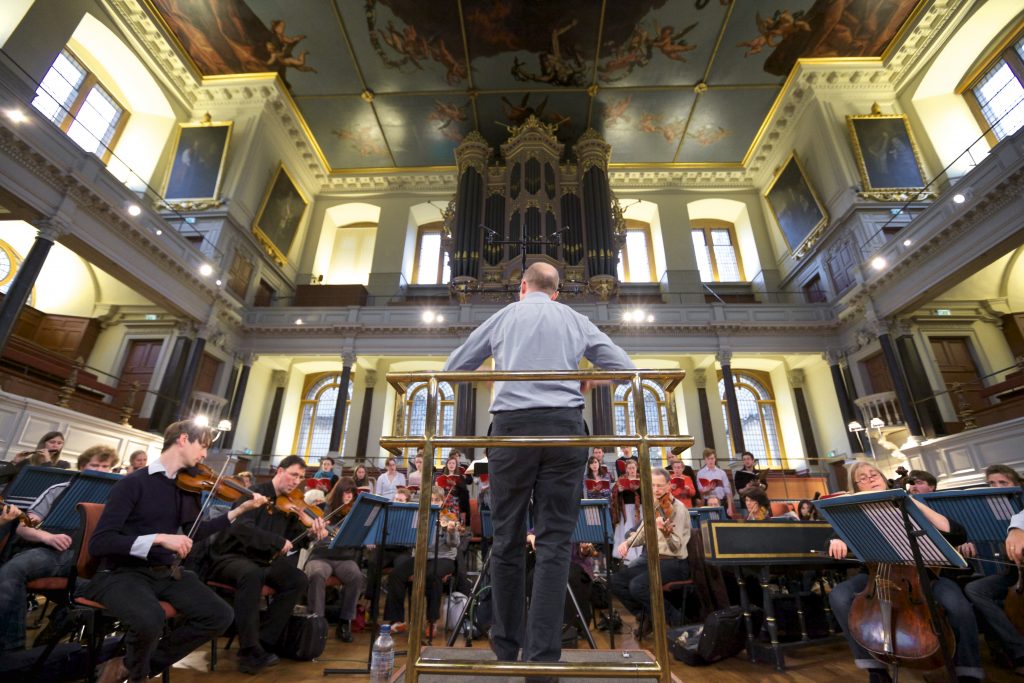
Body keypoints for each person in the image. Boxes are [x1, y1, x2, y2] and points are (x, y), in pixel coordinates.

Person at [443, 262, 635, 667]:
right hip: (565, 432)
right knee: (553, 546)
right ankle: (544, 657)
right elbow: (627, 370)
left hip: (511, 433)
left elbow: (453, 370)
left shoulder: (505, 316)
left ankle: (506, 647)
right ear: (556, 292)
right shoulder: (574, 318)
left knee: (508, 540)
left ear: (522, 286)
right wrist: (587, 380)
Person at [83, 420, 269, 683]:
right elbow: (100, 543)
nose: (205, 455)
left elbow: (196, 531)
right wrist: (158, 539)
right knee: (151, 619)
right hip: (121, 573)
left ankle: (131, 666)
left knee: (220, 615)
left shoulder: (186, 487)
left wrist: (238, 511)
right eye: (202, 446)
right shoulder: (133, 483)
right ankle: (137, 675)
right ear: (183, 440)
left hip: (163, 573)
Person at [827, 461, 981, 683]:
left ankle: (968, 670)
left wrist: (913, 504)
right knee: (839, 595)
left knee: (958, 605)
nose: (870, 479)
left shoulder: (909, 502)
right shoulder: (857, 512)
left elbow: (958, 534)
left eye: (873, 474)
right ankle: (875, 669)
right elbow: (833, 536)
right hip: (876, 574)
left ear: (884, 478)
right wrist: (836, 538)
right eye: (862, 478)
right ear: (857, 487)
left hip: (925, 575)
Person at [207, 454, 327, 674]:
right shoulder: (253, 493)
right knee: (252, 575)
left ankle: (264, 641)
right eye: (292, 475)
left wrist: (311, 532)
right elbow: (242, 529)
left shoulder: (291, 505)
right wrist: (276, 542)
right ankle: (248, 650)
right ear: (279, 471)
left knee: (297, 579)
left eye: (300, 477)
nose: (295, 481)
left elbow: (295, 540)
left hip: (263, 560)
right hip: (232, 557)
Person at [0, 445, 118, 656]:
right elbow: (23, 526)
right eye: (94, 465)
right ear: (82, 466)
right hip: (53, 552)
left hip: (92, 561)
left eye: (105, 466)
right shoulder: (58, 489)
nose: (100, 470)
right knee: (13, 570)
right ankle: (13, 653)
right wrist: (47, 536)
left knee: (103, 590)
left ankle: (49, 639)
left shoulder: (119, 497)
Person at [610, 468, 691, 635]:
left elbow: (676, 547)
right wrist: (627, 543)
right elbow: (642, 535)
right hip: (653, 560)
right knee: (615, 581)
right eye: (653, 486)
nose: (656, 490)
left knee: (637, 586)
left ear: (669, 486)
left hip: (674, 562)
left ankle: (676, 620)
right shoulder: (653, 505)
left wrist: (665, 532)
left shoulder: (679, 509)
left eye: (660, 486)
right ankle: (645, 616)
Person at [961, 464, 1024, 674]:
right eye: (991, 483)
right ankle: (1018, 649)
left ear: (1016, 484)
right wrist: (967, 543)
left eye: (1003, 483)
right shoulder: (984, 508)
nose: (996, 487)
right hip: (1015, 572)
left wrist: (1017, 529)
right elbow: (984, 537)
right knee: (975, 589)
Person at [384, 486, 460, 635]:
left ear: (442, 501)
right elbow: (410, 541)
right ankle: (396, 620)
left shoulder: (448, 517)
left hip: (444, 558)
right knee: (396, 575)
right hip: (421, 556)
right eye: (430, 499)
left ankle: (432, 621)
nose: (433, 502)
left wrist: (451, 532)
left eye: (437, 500)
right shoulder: (419, 516)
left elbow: (454, 544)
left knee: (432, 575)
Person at [305, 477, 364, 642]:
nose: (349, 497)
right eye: (346, 492)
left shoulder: (354, 513)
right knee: (316, 574)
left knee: (356, 576)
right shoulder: (324, 508)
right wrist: (314, 531)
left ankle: (345, 621)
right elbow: (309, 532)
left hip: (344, 557)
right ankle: (316, 622)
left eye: (352, 493)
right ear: (339, 492)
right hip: (321, 555)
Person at [612, 459, 643, 562]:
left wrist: (639, 488)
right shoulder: (622, 479)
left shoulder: (641, 478)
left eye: (633, 468)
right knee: (628, 529)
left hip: (639, 508)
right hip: (626, 509)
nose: (632, 470)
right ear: (626, 469)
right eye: (629, 468)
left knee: (639, 530)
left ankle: (641, 552)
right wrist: (619, 490)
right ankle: (628, 554)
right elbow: (614, 493)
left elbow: (648, 493)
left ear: (636, 468)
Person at [696, 448, 733, 516]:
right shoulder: (700, 473)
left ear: (715, 459)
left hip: (721, 501)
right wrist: (707, 489)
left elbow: (728, 492)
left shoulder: (722, 473)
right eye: (708, 459)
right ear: (705, 460)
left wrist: (730, 507)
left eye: (712, 458)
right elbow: (700, 491)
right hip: (708, 502)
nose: (710, 461)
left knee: (722, 524)